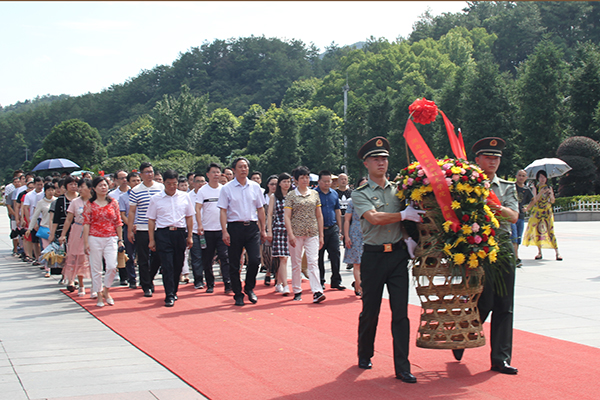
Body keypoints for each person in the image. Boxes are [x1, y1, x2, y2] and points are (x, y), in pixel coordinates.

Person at [353, 136, 425, 383]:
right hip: (373, 257)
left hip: (396, 256)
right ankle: (365, 352)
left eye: (384, 158)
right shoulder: (360, 193)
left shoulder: (399, 189)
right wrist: (402, 214)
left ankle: (402, 367)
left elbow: (406, 220)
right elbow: (373, 218)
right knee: (370, 310)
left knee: (400, 313)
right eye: (376, 159)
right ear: (366, 163)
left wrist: (409, 239)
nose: (381, 163)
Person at [453, 137, 520, 375]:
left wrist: (495, 207)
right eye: (488, 157)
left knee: (505, 304)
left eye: (496, 158)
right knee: (484, 300)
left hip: (501, 247)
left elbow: (512, 216)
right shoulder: (467, 184)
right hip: (476, 248)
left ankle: (500, 358)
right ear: (477, 160)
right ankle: (463, 335)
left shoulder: (507, 187)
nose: (493, 161)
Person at [218, 157, 267, 306]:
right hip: (234, 227)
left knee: (255, 260)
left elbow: (260, 209)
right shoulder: (227, 188)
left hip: (252, 227)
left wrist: (263, 229)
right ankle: (238, 293)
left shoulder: (255, 187)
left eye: (245, 167)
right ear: (233, 170)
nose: (243, 169)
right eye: (240, 167)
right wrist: (224, 231)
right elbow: (223, 211)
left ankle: (249, 287)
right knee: (234, 263)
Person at [147, 170, 195, 307]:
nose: (172, 186)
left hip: (179, 233)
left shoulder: (184, 197)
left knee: (178, 264)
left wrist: (190, 236)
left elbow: (189, 217)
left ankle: (174, 291)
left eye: (174, 183)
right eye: (169, 183)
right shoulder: (156, 199)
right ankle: (168, 294)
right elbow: (151, 220)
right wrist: (152, 239)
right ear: (164, 183)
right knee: (167, 265)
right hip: (163, 233)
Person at [284, 166, 325, 303]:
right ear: (295, 180)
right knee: (296, 263)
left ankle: (317, 291)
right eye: (302, 177)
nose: (305, 180)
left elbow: (319, 215)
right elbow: (287, 216)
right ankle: (297, 290)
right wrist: (290, 234)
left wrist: (321, 235)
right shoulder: (291, 195)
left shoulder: (314, 194)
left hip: (312, 232)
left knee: (313, 262)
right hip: (296, 233)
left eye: (307, 177)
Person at [83, 177, 124, 307]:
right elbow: (86, 224)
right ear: (94, 188)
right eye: (100, 185)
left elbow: (118, 222)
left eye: (105, 185)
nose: (103, 188)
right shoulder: (89, 204)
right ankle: (99, 294)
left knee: (112, 266)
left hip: (111, 237)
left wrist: (120, 240)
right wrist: (85, 243)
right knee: (96, 268)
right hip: (94, 237)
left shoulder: (113, 203)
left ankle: (106, 290)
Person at [128, 162, 164, 298]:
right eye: (147, 172)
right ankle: (146, 285)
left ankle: (149, 277)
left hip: (158, 227)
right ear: (141, 174)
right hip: (142, 227)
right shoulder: (136, 190)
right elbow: (132, 211)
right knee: (143, 257)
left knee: (159, 256)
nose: (150, 174)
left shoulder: (160, 188)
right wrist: (130, 229)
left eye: (151, 171)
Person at [196, 163, 232, 293]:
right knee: (207, 258)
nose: (216, 174)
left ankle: (228, 283)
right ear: (208, 175)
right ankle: (210, 283)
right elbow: (198, 208)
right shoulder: (202, 191)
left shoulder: (225, 189)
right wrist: (200, 225)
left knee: (225, 257)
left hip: (223, 229)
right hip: (207, 230)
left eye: (218, 172)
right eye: (213, 172)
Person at [60, 179, 91, 296]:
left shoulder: (94, 202)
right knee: (77, 257)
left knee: (88, 259)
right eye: (80, 187)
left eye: (82, 187)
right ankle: (79, 284)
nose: (80, 189)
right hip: (77, 231)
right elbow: (68, 219)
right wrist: (63, 234)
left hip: (91, 232)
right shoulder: (75, 202)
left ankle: (95, 286)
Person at [522, 170, 562, 261]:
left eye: (544, 177)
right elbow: (534, 200)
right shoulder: (535, 187)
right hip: (538, 212)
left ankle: (557, 252)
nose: (542, 179)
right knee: (538, 231)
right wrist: (540, 193)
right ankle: (539, 252)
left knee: (550, 231)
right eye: (540, 177)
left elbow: (552, 201)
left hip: (547, 211)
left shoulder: (549, 187)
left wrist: (550, 194)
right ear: (538, 178)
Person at [316, 170, 345, 290]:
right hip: (318, 230)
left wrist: (340, 229)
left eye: (329, 181)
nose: (327, 183)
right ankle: (320, 281)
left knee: (335, 255)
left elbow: (337, 211)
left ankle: (336, 280)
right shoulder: (314, 194)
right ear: (319, 181)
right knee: (319, 256)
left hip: (332, 228)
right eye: (325, 181)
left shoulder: (334, 194)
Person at [343, 176, 368, 297]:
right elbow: (347, 220)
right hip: (356, 233)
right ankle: (361, 288)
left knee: (367, 263)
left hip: (370, 233)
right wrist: (346, 236)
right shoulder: (352, 201)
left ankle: (360, 285)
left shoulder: (373, 200)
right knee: (357, 263)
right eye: (362, 185)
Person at [268, 172, 292, 296]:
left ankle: (278, 283)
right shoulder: (274, 197)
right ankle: (285, 285)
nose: (286, 184)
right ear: (280, 184)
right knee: (282, 258)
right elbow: (270, 214)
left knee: (286, 258)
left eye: (288, 181)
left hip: (291, 230)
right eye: (284, 181)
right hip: (279, 229)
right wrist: (269, 231)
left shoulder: (293, 196)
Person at [27, 182, 56, 276]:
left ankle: (57, 268)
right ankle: (48, 269)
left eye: (52, 190)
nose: (51, 192)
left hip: (55, 229)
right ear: (45, 191)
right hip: (45, 229)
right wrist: (29, 228)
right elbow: (34, 216)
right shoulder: (41, 203)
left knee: (56, 250)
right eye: (49, 190)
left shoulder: (56, 201)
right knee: (46, 249)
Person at [118, 172, 141, 289]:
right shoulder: (123, 197)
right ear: (128, 182)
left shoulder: (144, 194)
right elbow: (123, 214)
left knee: (143, 255)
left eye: (138, 180)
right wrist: (131, 226)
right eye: (134, 181)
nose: (136, 183)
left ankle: (144, 279)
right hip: (129, 228)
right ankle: (131, 279)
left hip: (143, 227)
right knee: (130, 255)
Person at [511, 169, 533, 266]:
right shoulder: (511, 187)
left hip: (521, 216)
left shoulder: (527, 189)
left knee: (518, 237)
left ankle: (515, 255)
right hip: (512, 215)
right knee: (514, 236)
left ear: (526, 178)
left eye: (523, 176)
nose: (521, 177)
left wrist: (527, 208)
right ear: (516, 176)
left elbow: (533, 199)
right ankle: (515, 258)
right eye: (519, 175)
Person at [261, 174, 277, 285]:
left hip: (278, 226)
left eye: (276, 184)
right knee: (266, 251)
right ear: (268, 185)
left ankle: (276, 273)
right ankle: (268, 270)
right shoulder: (263, 196)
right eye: (272, 184)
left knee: (277, 252)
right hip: (265, 226)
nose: (274, 186)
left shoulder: (281, 197)